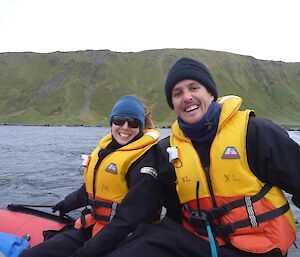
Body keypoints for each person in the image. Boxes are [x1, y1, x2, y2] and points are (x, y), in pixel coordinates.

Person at [104, 57, 300, 257]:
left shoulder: (256, 132)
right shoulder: (168, 150)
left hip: (262, 249)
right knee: (141, 243)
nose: (186, 97)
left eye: (194, 88)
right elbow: (168, 212)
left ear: (211, 93)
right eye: (177, 93)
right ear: (173, 104)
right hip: (203, 244)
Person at [20, 95, 163, 257]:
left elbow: (130, 220)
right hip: (92, 227)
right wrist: (66, 204)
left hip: (127, 239)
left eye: (133, 123)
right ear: (111, 122)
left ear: (141, 127)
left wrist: (87, 251)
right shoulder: (104, 151)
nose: (125, 127)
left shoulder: (146, 161)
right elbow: (90, 189)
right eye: (119, 120)